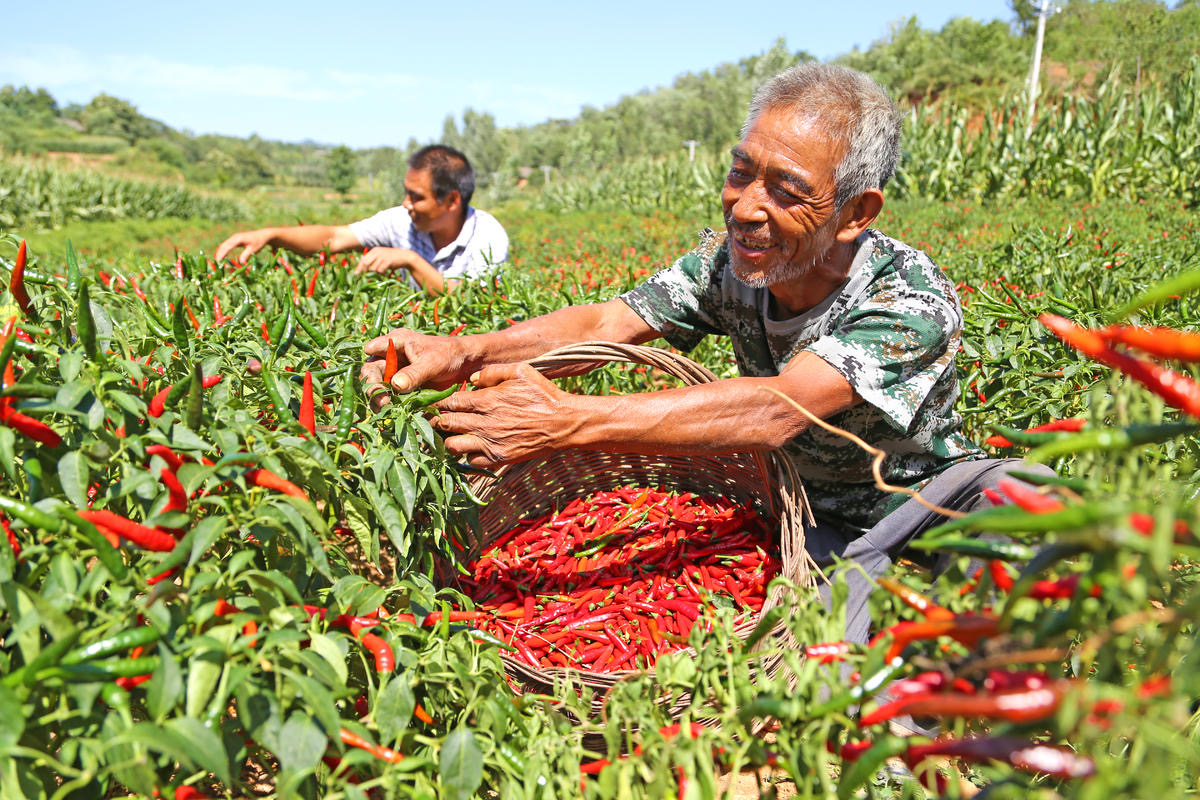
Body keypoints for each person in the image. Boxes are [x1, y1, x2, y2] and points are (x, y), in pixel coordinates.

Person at [360, 63, 1047, 645]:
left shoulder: (908, 298)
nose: (745, 207)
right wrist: (466, 350)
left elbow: (781, 408)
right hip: (811, 519)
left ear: (856, 212)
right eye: (740, 172)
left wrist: (570, 421)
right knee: (821, 664)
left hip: (926, 498)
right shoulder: (730, 264)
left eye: (786, 190)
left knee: (1030, 505)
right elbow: (611, 320)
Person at [214, 145, 508, 295]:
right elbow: (334, 238)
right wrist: (271, 235)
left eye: (416, 196)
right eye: (406, 193)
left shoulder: (488, 236)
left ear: (452, 200)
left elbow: (465, 301)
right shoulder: (400, 221)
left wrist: (410, 260)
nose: (407, 203)